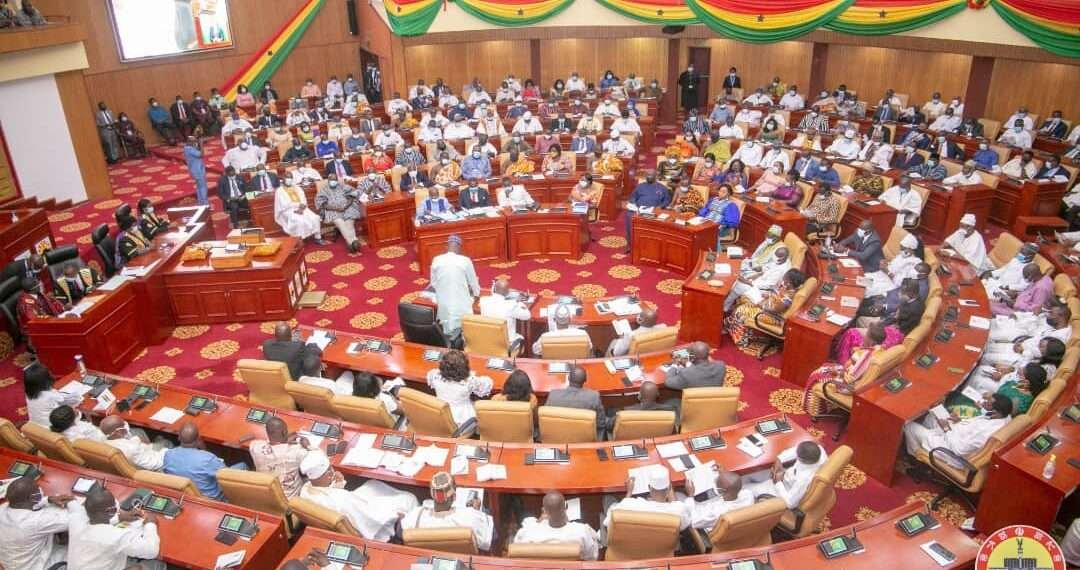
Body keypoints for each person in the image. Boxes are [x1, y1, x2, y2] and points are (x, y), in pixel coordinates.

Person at [299, 451, 417, 542]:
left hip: (349, 506)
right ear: (329, 473)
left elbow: (326, 496)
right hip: (366, 519)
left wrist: (337, 484)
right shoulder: (341, 498)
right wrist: (395, 516)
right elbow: (370, 516)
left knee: (372, 485)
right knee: (408, 499)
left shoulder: (305, 490)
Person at [68, 487, 163, 570]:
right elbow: (152, 551)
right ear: (112, 511)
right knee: (139, 568)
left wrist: (120, 517)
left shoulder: (75, 520)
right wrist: (151, 524)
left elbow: (72, 503)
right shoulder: (115, 536)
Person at [804, 323, 888, 416]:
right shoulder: (880, 350)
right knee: (827, 365)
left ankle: (816, 410)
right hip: (855, 381)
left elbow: (851, 377)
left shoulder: (866, 356)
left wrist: (837, 373)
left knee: (817, 374)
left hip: (845, 386)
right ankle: (828, 405)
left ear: (871, 341)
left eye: (866, 335)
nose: (864, 336)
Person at [0, 474, 79, 570]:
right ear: (34, 497)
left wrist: (48, 499)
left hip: (13, 561)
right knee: (79, 554)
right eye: (38, 488)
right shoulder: (35, 521)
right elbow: (75, 520)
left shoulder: (3, 508)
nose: (40, 490)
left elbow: (24, 502)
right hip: (33, 566)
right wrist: (73, 502)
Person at [402, 472, 494, 551]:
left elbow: (399, 532)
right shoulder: (471, 516)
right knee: (486, 509)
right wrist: (477, 512)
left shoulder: (415, 516)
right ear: (454, 496)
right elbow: (493, 537)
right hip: (463, 562)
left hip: (429, 561)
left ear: (432, 494)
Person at [903, 394, 1013, 457]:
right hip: (956, 432)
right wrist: (958, 421)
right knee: (931, 416)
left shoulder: (987, 433)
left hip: (952, 450)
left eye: (987, 403)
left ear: (995, 412)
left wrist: (946, 429)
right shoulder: (1004, 416)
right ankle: (925, 439)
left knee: (909, 426)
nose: (983, 403)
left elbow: (959, 450)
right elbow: (974, 426)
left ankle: (917, 456)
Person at [602, 469, 690, 543]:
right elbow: (683, 521)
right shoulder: (679, 511)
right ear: (670, 487)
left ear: (649, 487)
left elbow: (608, 521)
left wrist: (629, 492)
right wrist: (668, 488)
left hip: (630, 548)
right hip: (661, 551)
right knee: (680, 495)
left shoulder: (631, 505)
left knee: (608, 500)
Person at [726, 268, 806, 349]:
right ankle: (729, 326)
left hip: (771, 316)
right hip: (766, 306)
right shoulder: (786, 287)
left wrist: (762, 306)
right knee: (744, 301)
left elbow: (776, 310)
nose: (783, 279)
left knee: (741, 310)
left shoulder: (788, 297)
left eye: (785, 278)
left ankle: (741, 341)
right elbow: (775, 296)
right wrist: (767, 296)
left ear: (789, 282)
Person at [512, 490, 600, 560]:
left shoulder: (529, 532)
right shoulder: (582, 531)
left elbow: (517, 548)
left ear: (544, 511)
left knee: (524, 513)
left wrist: (539, 523)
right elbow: (592, 556)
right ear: (566, 507)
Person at [163, 423, 237, 500]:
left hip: (184, 495)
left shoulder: (168, 455)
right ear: (198, 439)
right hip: (211, 499)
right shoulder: (208, 459)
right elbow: (227, 475)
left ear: (178, 437)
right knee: (243, 465)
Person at [744, 442, 827, 507]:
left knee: (744, 487)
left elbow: (790, 503)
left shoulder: (804, 479)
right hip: (785, 475)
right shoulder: (819, 450)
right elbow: (795, 450)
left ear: (801, 459)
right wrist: (779, 460)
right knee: (747, 475)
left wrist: (778, 483)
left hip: (784, 489)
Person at [246, 417, 312, 498]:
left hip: (266, 493)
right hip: (290, 498)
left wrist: (284, 441)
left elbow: (266, 443)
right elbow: (315, 458)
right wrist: (308, 446)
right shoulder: (296, 452)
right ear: (284, 432)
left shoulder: (255, 447)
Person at [724, 246, 792, 312]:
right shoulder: (780, 261)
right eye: (775, 254)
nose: (775, 257)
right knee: (739, 278)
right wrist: (754, 276)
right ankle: (727, 304)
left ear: (783, 258)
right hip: (759, 282)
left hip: (763, 291)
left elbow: (768, 285)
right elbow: (765, 270)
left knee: (739, 285)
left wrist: (749, 283)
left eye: (778, 256)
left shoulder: (781, 270)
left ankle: (725, 307)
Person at [547, 366, 607, 435]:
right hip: (584, 438)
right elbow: (601, 424)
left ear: (568, 378)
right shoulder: (594, 397)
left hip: (558, 435)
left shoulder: (553, 395)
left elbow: (547, 419)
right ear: (585, 380)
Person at [314, 174, 363, 253]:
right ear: (328, 180)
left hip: (347, 207)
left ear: (337, 180)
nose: (333, 181)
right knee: (340, 223)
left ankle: (351, 244)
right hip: (332, 210)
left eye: (335, 180)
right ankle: (353, 241)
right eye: (331, 180)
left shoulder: (343, 186)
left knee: (349, 223)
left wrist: (346, 206)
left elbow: (352, 196)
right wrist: (336, 208)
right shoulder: (324, 190)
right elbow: (322, 204)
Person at [99, 415, 167, 471]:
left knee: (142, 433)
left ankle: (159, 439)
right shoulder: (132, 449)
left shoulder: (101, 444)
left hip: (141, 451)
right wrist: (166, 452)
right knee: (166, 442)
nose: (126, 425)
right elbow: (155, 464)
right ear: (118, 432)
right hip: (154, 461)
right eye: (123, 425)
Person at [23, 362, 81, 428]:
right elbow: (73, 401)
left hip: (36, 427)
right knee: (77, 413)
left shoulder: (29, 394)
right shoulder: (50, 396)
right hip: (54, 428)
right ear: (46, 379)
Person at [863, 233, 922, 298]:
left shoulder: (913, 263)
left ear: (911, 249)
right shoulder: (903, 255)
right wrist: (885, 263)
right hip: (883, 276)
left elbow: (901, 283)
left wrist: (887, 272)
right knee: (861, 279)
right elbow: (894, 266)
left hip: (891, 285)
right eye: (901, 248)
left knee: (866, 288)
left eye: (903, 249)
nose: (901, 251)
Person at [479, 278, 532, 347]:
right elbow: (527, 315)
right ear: (508, 292)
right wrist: (518, 302)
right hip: (507, 345)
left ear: (494, 289)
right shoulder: (511, 306)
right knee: (521, 338)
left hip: (489, 342)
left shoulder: (483, 301)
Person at [625, 171, 670, 245]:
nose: (649, 177)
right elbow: (633, 197)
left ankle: (650, 244)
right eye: (648, 175)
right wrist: (634, 205)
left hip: (654, 210)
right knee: (629, 215)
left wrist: (660, 207)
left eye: (651, 175)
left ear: (656, 176)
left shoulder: (662, 188)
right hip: (639, 209)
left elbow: (667, 201)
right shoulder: (640, 186)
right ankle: (631, 244)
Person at [182, 136, 209, 205]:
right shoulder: (190, 149)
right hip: (198, 170)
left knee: (199, 186)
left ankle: (200, 202)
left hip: (194, 169)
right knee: (203, 186)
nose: (195, 142)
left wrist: (198, 144)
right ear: (189, 142)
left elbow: (197, 149)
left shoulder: (186, 147)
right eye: (194, 141)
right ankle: (205, 203)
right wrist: (201, 144)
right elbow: (201, 155)